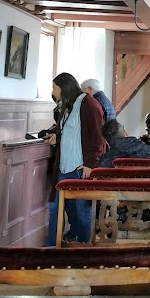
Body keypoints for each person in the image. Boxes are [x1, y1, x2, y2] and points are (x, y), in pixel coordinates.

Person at [46, 72, 106, 245]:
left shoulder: (88, 103)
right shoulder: (67, 106)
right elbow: (67, 130)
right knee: (55, 208)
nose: (53, 91)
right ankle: (51, 247)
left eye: (54, 88)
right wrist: (57, 136)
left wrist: (90, 164)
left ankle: (85, 247)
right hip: (64, 167)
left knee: (81, 211)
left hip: (80, 167)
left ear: (64, 88)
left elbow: (97, 137)